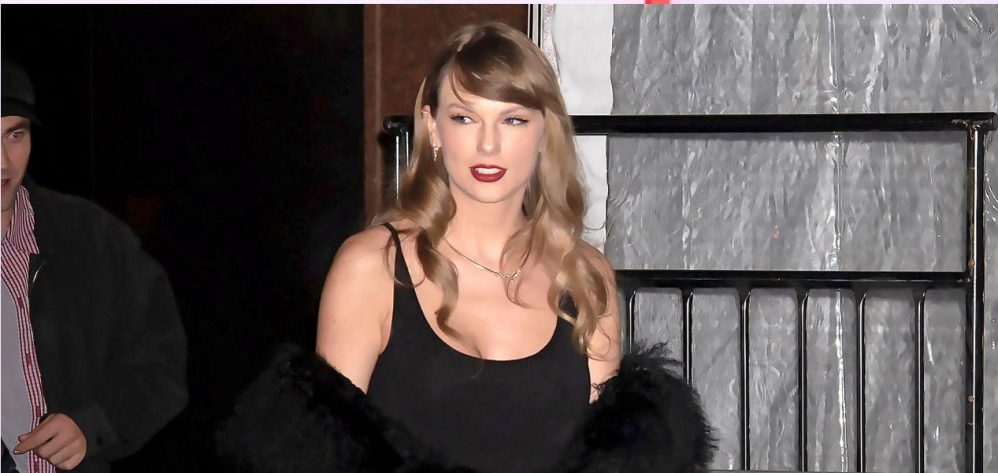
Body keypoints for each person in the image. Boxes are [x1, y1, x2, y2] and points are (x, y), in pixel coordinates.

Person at [218, 22, 713, 473]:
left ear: (545, 131)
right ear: (433, 127)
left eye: (512, 120)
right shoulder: (373, 267)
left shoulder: (584, 277)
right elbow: (325, 457)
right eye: (465, 118)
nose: (488, 145)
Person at [1, 58, 188, 473]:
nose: (3, 163)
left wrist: (95, 423)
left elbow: (161, 361)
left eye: (14, 134)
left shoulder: (91, 237)